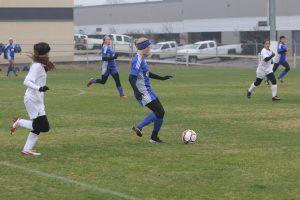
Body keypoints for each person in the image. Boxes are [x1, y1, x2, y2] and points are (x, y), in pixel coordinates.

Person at [10, 42, 55, 156]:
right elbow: (26, 81)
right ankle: (19, 122)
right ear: (43, 53)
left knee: (38, 126)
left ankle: (26, 149)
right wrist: (39, 88)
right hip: (32, 99)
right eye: (48, 52)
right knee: (44, 127)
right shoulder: (36, 66)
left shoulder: (40, 64)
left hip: (38, 100)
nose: (49, 54)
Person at [129, 37, 173, 143]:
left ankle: (154, 137)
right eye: (148, 47)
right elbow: (131, 78)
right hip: (143, 92)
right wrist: (136, 92)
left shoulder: (141, 58)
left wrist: (161, 78)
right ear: (143, 48)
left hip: (148, 91)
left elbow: (147, 74)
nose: (149, 49)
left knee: (160, 113)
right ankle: (139, 127)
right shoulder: (137, 60)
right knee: (160, 111)